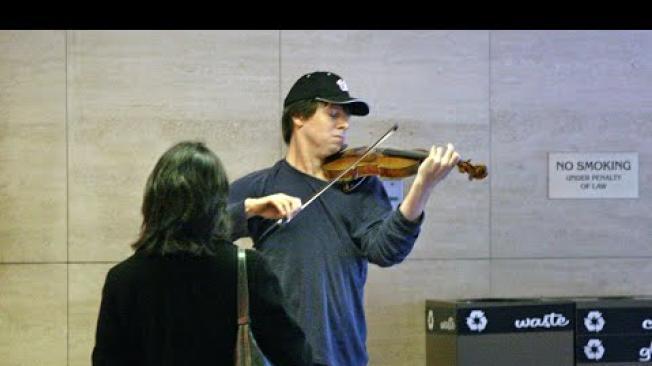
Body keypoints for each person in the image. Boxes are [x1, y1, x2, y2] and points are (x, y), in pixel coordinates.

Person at [227, 71, 461, 366]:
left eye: (346, 116)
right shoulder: (260, 187)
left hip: (343, 355)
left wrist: (421, 188)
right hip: (278, 355)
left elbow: (386, 250)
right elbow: (198, 232)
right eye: (333, 114)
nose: (345, 124)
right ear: (299, 116)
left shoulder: (360, 186)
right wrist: (250, 208)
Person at [92, 141, 313, 366]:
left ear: (153, 200)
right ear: (217, 203)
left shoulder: (122, 279)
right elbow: (294, 355)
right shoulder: (246, 269)